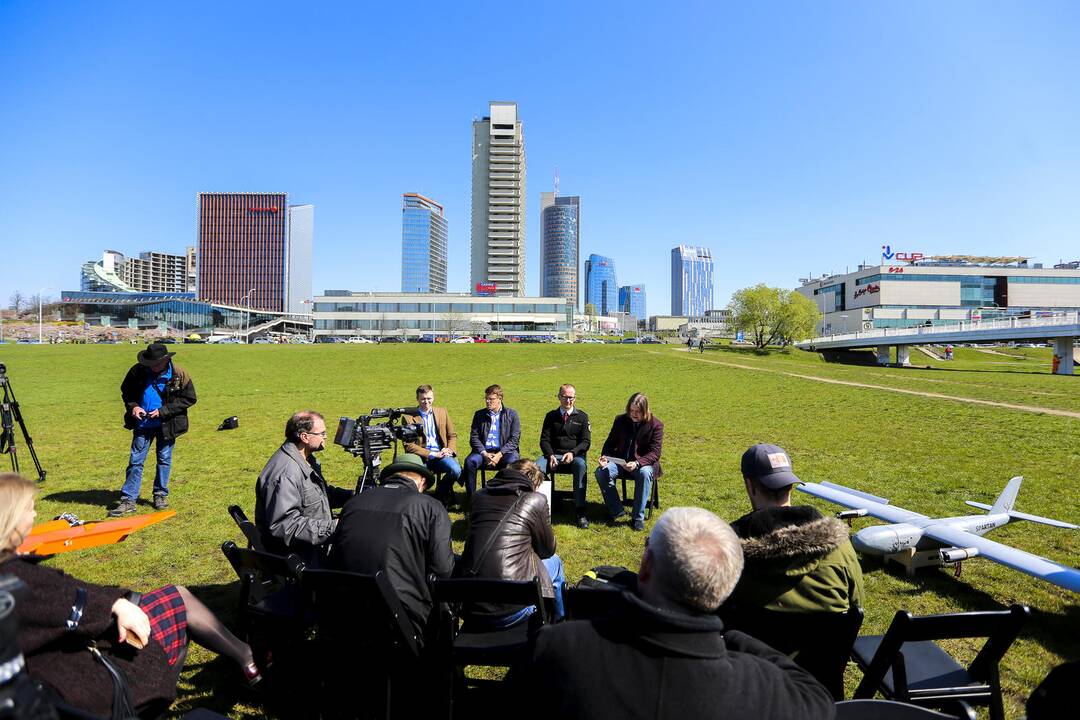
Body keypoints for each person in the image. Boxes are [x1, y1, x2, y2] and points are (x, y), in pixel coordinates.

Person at [511, 506, 835, 720]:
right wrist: (734, 638)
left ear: (646, 566)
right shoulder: (761, 688)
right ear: (726, 585)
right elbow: (820, 701)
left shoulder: (558, 647)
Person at [1, 472, 261, 717]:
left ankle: (243, 658)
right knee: (176, 601)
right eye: (29, 508)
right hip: (81, 684)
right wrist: (118, 604)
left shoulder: (15, 572)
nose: (35, 513)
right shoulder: (18, 581)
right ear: (10, 520)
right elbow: (72, 601)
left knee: (171, 601)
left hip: (53, 676)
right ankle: (246, 660)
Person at [724, 443, 864, 614]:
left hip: (749, 639)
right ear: (790, 485)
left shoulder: (727, 555)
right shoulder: (840, 547)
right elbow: (857, 604)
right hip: (826, 640)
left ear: (749, 486)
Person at [330, 453, 454, 641]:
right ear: (421, 482)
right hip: (401, 614)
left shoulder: (354, 502)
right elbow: (444, 570)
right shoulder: (431, 507)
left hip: (345, 607)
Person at [456, 459, 565, 624]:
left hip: (471, 602)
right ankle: (559, 624)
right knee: (554, 562)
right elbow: (547, 550)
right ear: (535, 484)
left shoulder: (478, 497)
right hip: (513, 607)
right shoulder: (536, 500)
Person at [108, 342, 197, 516]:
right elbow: (126, 392)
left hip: (167, 425)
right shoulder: (137, 371)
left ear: (166, 360)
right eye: (150, 364)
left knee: (164, 460)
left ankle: (160, 495)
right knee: (136, 461)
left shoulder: (180, 374)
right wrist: (133, 407)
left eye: (156, 364)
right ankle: (128, 500)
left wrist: (163, 411)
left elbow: (190, 398)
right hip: (142, 425)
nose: (153, 367)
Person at [254, 410, 352, 564]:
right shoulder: (286, 474)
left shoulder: (305, 459)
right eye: (322, 433)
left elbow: (319, 495)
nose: (325, 437)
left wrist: (353, 496)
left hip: (310, 546)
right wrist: (334, 526)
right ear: (305, 437)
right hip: (299, 557)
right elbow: (285, 526)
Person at [595, 392, 663, 531]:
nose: (633, 414)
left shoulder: (656, 425)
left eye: (637, 412)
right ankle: (616, 510)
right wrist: (605, 457)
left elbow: (655, 453)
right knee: (601, 472)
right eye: (631, 410)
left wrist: (637, 463)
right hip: (621, 462)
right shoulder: (620, 420)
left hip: (643, 464)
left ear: (645, 410)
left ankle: (637, 518)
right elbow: (609, 442)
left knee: (644, 474)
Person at [536, 384, 592, 528]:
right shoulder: (551, 416)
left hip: (574, 456)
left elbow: (586, 442)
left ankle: (580, 512)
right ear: (559, 397)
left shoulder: (582, 417)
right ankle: (546, 508)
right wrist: (550, 455)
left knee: (581, 466)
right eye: (565, 397)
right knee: (535, 469)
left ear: (575, 398)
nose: (568, 401)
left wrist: (572, 453)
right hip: (553, 455)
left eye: (571, 397)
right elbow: (544, 440)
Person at [402, 384, 462, 508]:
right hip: (421, 457)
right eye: (423, 399)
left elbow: (452, 435)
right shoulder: (408, 418)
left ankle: (440, 493)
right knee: (415, 477)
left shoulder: (442, 412)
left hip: (442, 454)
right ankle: (415, 504)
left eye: (429, 398)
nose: (426, 402)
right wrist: (432, 454)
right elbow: (409, 446)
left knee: (456, 470)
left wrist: (449, 449)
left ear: (433, 397)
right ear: (417, 399)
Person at [462, 384, 521, 505]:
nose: (488, 401)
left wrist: (499, 454)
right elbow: (474, 438)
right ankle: (472, 501)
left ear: (500, 398)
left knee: (512, 461)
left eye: (491, 399)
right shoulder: (479, 415)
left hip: (504, 452)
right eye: (486, 399)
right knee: (470, 462)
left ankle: (505, 500)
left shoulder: (512, 415)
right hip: (483, 452)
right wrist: (484, 453)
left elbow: (514, 440)